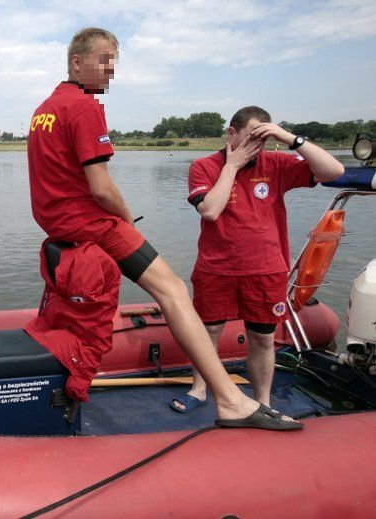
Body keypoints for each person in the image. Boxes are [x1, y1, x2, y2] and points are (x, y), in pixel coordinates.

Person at [27, 27, 301, 430]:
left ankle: (218, 393)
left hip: (61, 229)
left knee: (165, 290)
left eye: (114, 62)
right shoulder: (84, 107)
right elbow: (101, 189)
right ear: (76, 62)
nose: (110, 71)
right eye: (104, 61)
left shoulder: (43, 111)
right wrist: (125, 215)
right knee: (174, 290)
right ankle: (229, 400)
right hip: (95, 225)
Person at [170, 106, 344, 413]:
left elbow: (334, 171)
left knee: (262, 339)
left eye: (263, 138)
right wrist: (232, 166)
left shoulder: (276, 163)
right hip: (216, 267)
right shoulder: (204, 166)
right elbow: (210, 210)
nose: (256, 146)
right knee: (207, 332)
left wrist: (288, 137)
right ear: (231, 133)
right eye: (251, 137)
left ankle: (262, 402)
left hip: (266, 269)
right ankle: (199, 390)